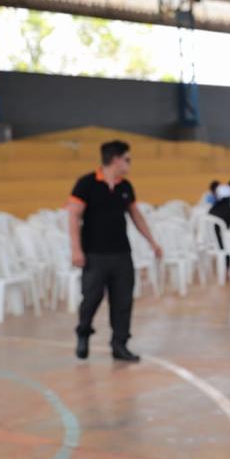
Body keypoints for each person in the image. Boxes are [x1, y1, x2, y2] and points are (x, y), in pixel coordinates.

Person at [68, 140, 161, 362]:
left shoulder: (125, 187)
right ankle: (83, 331)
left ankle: (119, 344)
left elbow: (136, 216)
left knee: (123, 301)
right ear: (116, 159)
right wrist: (76, 250)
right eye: (127, 159)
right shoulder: (86, 184)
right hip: (94, 254)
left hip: (121, 254)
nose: (129, 164)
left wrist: (152, 241)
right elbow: (73, 217)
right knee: (91, 297)